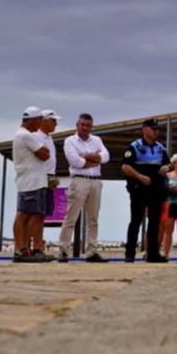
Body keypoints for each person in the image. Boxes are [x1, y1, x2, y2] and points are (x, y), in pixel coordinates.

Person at [59, 113, 109, 263]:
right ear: (77, 125)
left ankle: (91, 251)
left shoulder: (97, 140)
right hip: (79, 181)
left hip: (95, 181)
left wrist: (87, 156)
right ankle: (63, 250)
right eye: (83, 125)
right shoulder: (70, 141)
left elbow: (106, 157)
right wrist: (94, 159)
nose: (86, 128)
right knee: (71, 217)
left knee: (93, 219)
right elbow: (76, 162)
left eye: (88, 125)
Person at [121, 118, 171, 263]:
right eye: (153, 129)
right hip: (139, 189)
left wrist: (167, 167)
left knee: (154, 222)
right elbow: (125, 167)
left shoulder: (160, 148)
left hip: (156, 190)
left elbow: (169, 164)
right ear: (144, 129)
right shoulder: (134, 147)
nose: (156, 132)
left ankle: (152, 254)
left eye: (157, 129)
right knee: (136, 220)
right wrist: (140, 177)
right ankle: (130, 254)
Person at [12, 107, 52, 263]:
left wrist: (43, 152)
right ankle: (21, 249)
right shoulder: (25, 136)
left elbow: (44, 154)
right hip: (31, 182)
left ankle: (29, 249)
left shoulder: (23, 135)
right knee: (24, 214)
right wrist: (43, 151)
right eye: (39, 120)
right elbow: (45, 154)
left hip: (33, 181)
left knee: (35, 215)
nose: (41, 123)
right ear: (34, 120)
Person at [39, 111, 62, 246]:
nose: (56, 124)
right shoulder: (36, 136)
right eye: (53, 121)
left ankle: (37, 244)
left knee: (43, 213)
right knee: (35, 213)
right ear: (45, 121)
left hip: (49, 178)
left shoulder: (49, 138)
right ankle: (33, 245)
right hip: (41, 178)